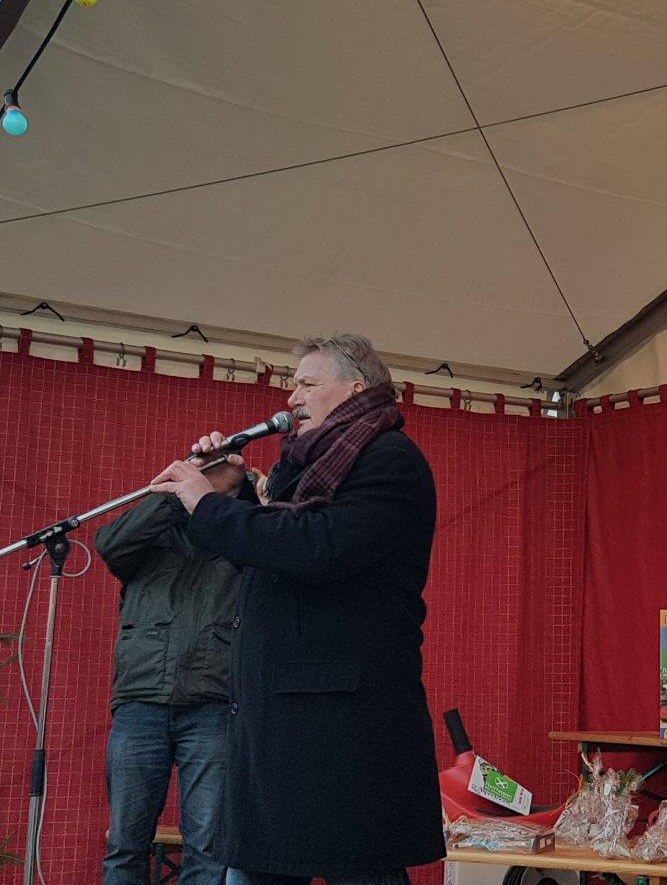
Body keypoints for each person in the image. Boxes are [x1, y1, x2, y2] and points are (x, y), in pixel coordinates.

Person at [147, 334, 444, 884]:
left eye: (308, 383)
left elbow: (318, 547)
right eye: (292, 384)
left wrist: (208, 506)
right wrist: (230, 493)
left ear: (356, 388)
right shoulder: (303, 467)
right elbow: (273, 560)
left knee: (360, 867)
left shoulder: (388, 458)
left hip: (345, 726)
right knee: (263, 865)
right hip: (288, 719)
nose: (291, 397)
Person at [95, 490, 239, 885]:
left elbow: (273, 549)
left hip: (214, 701)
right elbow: (108, 544)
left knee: (208, 851)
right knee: (125, 845)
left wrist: (235, 491)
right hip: (140, 701)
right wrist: (179, 492)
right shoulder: (150, 531)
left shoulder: (238, 527)